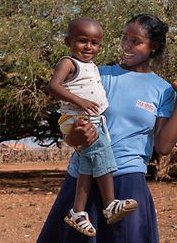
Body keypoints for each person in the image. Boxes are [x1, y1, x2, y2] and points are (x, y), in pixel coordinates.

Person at [37, 13, 177, 243]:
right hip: (85, 180)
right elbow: (71, 127)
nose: (127, 47)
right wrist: (75, 137)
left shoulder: (163, 90)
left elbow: (163, 146)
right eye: (125, 38)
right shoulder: (100, 76)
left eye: (136, 41)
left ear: (154, 46)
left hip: (128, 182)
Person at [48, 17, 138, 237]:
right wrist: (81, 102)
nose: (88, 47)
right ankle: (110, 204)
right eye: (82, 41)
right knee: (103, 156)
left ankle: (77, 211)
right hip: (78, 118)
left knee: (87, 166)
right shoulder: (68, 63)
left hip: (93, 119)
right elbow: (53, 87)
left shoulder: (91, 66)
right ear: (67, 41)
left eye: (95, 43)